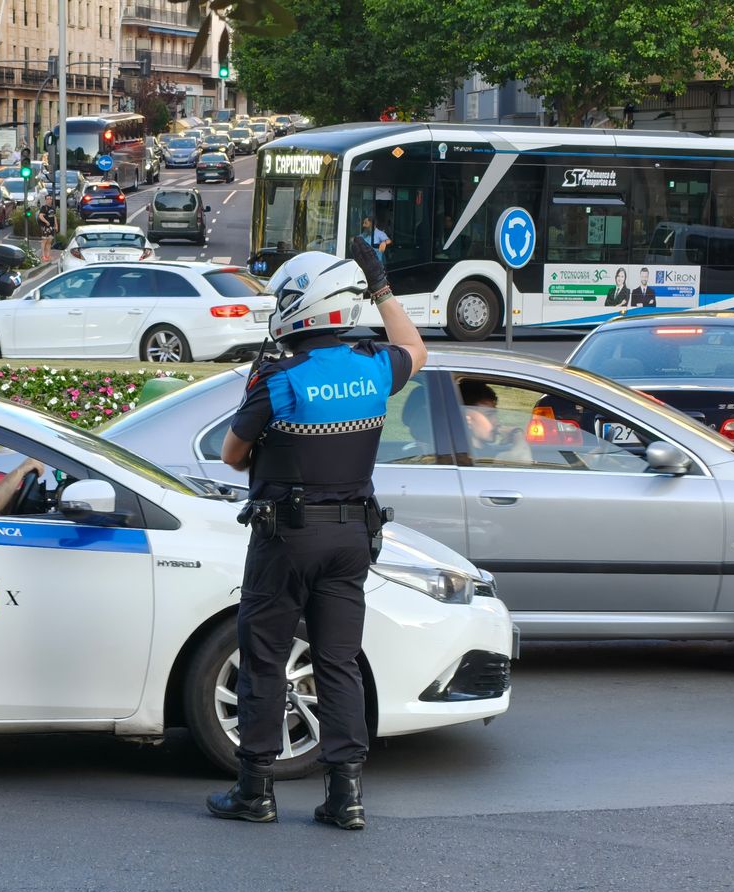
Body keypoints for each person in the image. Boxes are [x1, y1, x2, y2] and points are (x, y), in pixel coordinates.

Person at [206, 236, 427, 831]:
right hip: (352, 538)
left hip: (286, 540)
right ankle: (346, 795)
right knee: (338, 663)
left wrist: (261, 381)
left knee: (266, 661)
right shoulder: (373, 366)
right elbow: (414, 346)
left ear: (299, 306)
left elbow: (231, 455)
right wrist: (381, 287)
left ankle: (256, 790)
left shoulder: (280, 380)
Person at [460, 379, 530, 464]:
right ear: (467, 419)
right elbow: (524, 459)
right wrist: (516, 433)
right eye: (489, 415)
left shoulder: (487, 452)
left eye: (495, 415)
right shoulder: (469, 459)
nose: (496, 421)